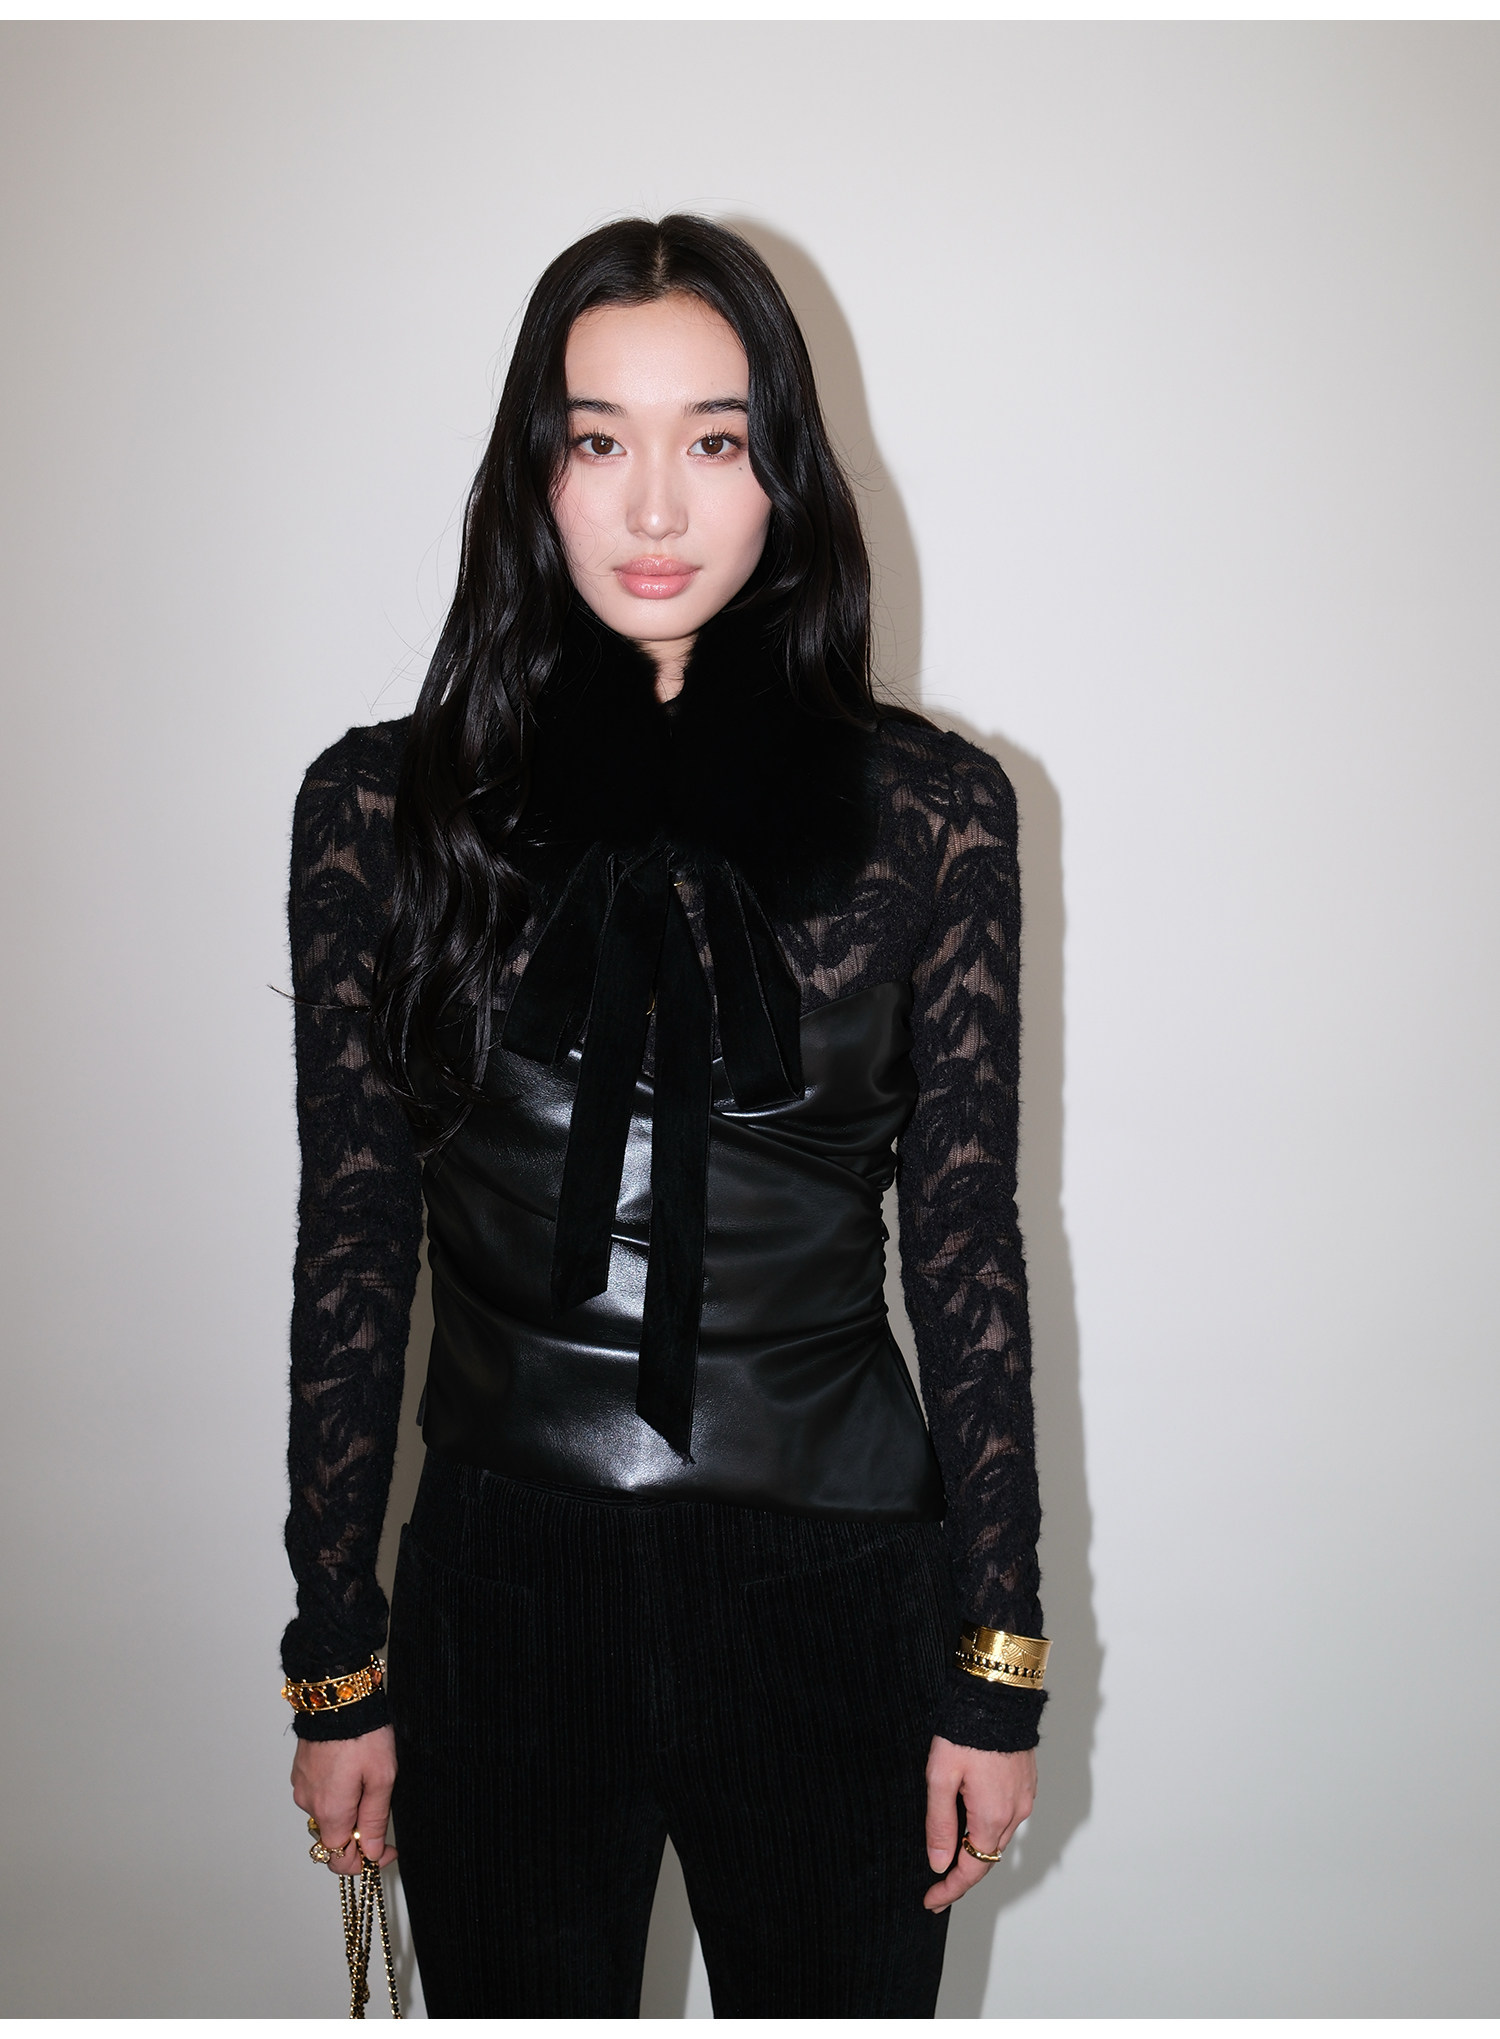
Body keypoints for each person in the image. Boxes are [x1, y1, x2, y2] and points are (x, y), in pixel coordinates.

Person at [281, 214, 1049, 2018]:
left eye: (713, 439)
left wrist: (996, 1664)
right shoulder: (377, 810)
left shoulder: (936, 810)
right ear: (531, 474)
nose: (652, 506)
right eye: (595, 439)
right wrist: (338, 1656)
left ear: (784, 470)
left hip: (837, 1595)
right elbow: (354, 1241)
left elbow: (965, 1245)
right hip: (501, 1597)